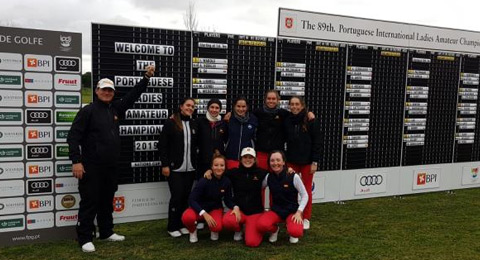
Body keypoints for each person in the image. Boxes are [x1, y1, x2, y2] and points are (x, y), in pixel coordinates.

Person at [67, 65, 155, 253]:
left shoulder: (115, 109)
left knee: (107, 201)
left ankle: (106, 232)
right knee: (90, 202)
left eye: (110, 90)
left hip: (110, 166)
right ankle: (84, 237)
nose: (107, 93)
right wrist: (76, 161)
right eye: (104, 89)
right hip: (91, 166)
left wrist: (146, 78)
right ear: (97, 91)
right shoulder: (87, 111)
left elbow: (132, 96)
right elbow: (73, 137)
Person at [158, 98, 198, 238]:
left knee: (186, 197)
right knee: (177, 197)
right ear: (181, 107)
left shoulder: (194, 123)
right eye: (188, 105)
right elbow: (162, 145)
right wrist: (165, 164)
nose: (190, 108)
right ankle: (172, 226)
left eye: (192, 106)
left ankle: (182, 224)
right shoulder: (171, 122)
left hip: (190, 169)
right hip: (175, 169)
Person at [284, 96, 322, 230]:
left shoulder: (311, 120)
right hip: (291, 161)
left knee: (306, 190)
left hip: (307, 162)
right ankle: (293, 214)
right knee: (290, 189)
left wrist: (314, 162)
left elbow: (317, 142)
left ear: (302, 105)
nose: (294, 106)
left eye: (297, 104)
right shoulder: (287, 119)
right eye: (292, 104)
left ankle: (306, 217)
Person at [256, 150, 308, 244]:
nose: (275, 163)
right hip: (276, 211)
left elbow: (305, 195)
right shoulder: (268, 177)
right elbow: (258, 187)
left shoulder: (293, 176)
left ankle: (291, 229)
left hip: (292, 211)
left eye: (278, 160)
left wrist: (299, 212)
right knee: (261, 225)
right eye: (272, 160)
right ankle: (275, 230)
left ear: (283, 162)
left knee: (295, 232)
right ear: (269, 163)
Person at [181, 152, 235, 243]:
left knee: (217, 227)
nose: (219, 168)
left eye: (222, 165)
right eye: (216, 165)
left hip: (215, 208)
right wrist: (204, 213)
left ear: (225, 167)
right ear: (211, 167)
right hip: (199, 208)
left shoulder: (227, 181)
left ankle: (213, 230)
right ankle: (192, 230)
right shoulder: (204, 180)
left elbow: (228, 200)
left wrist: (235, 207)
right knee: (187, 217)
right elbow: (191, 199)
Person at [221, 147, 268, 247]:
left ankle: (251, 227)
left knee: (252, 242)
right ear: (240, 159)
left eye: (250, 157)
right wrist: (209, 171)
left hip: (255, 212)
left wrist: (288, 170)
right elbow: (219, 172)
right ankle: (238, 229)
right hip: (239, 211)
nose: (247, 160)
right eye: (245, 157)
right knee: (227, 220)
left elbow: (277, 174)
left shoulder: (261, 172)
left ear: (255, 159)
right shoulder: (234, 172)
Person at [196, 98, 227, 180]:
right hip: (203, 162)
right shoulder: (199, 121)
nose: (214, 110)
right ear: (208, 108)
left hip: (218, 163)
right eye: (212, 107)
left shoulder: (223, 123)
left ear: (220, 110)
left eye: (217, 108)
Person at [224, 97, 258, 169]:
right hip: (231, 157)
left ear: (247, 107)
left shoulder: (253, 119)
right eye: (238, 106)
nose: (241, 109)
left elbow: (255, 137)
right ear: (234, 106)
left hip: (247, 159)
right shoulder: (229, 118)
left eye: (243, 106)